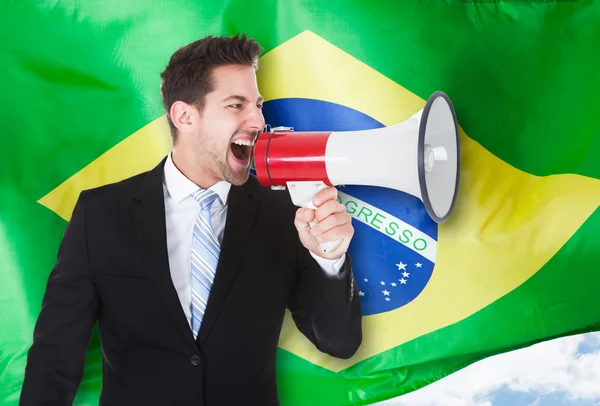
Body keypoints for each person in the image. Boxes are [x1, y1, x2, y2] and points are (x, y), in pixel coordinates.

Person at [19, 33, 362, 405]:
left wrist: (330, 258)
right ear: (184, 116)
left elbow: (339, 342)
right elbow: (55, 356)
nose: (259, 119)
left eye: (258, 105)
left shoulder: (285, 213)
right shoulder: (101, 215)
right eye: (236, 105)